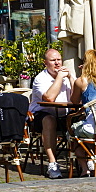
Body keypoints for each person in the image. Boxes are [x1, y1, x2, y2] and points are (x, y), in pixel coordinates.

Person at [29, 48, 75, 179]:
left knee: (80, 119)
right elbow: (49, 98)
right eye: (53, 60)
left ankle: (84, 162)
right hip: (40, 115)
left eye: (59, 60)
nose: (57, 63)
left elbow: (77, 99)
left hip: (64, 115)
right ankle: (52, 163)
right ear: (45, 63)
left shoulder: (67, 76)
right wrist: (59, 78)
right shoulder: (40, 79)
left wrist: (71, 78)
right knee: (49, 120)